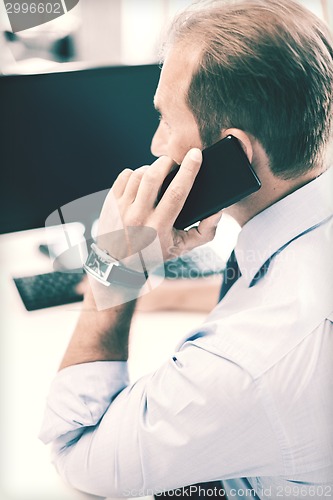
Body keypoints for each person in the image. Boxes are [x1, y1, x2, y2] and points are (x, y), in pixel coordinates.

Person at [39, 1, 333, 498]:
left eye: (166, 120)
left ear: (232, 154)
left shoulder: (247, 365)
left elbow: (75, 450)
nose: (156, 145)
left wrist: (114, 269)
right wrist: (163, 290)